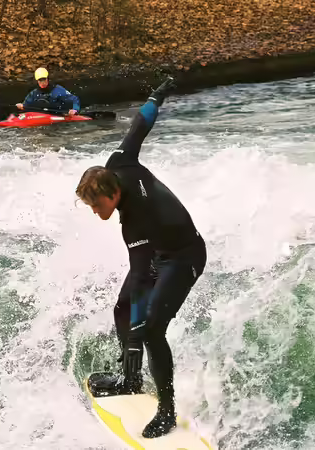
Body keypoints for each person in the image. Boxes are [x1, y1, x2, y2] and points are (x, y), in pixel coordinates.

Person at [75, 76, 207, 439]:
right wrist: (157, 95)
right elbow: (139, 126)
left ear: (112, 194)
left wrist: (137, 321)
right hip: (160, 252)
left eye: (96, 205)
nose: (94, 211)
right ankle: (130, 379)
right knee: (124, 309)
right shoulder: (118, 163)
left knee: (148, 327)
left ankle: (166, 409)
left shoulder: (138, 221)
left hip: (185, 256)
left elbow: (139, 277)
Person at [16, 67, 81, 116]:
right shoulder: (34, 93)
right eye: (40, 80)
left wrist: (75, 110)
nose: (43, 83)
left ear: (48, 79)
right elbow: (26, 105)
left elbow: (74, 99)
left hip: (58, 115)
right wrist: (22, 106)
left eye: (44, 80)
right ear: (37, 81)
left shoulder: (57, 90)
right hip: (41, 116)